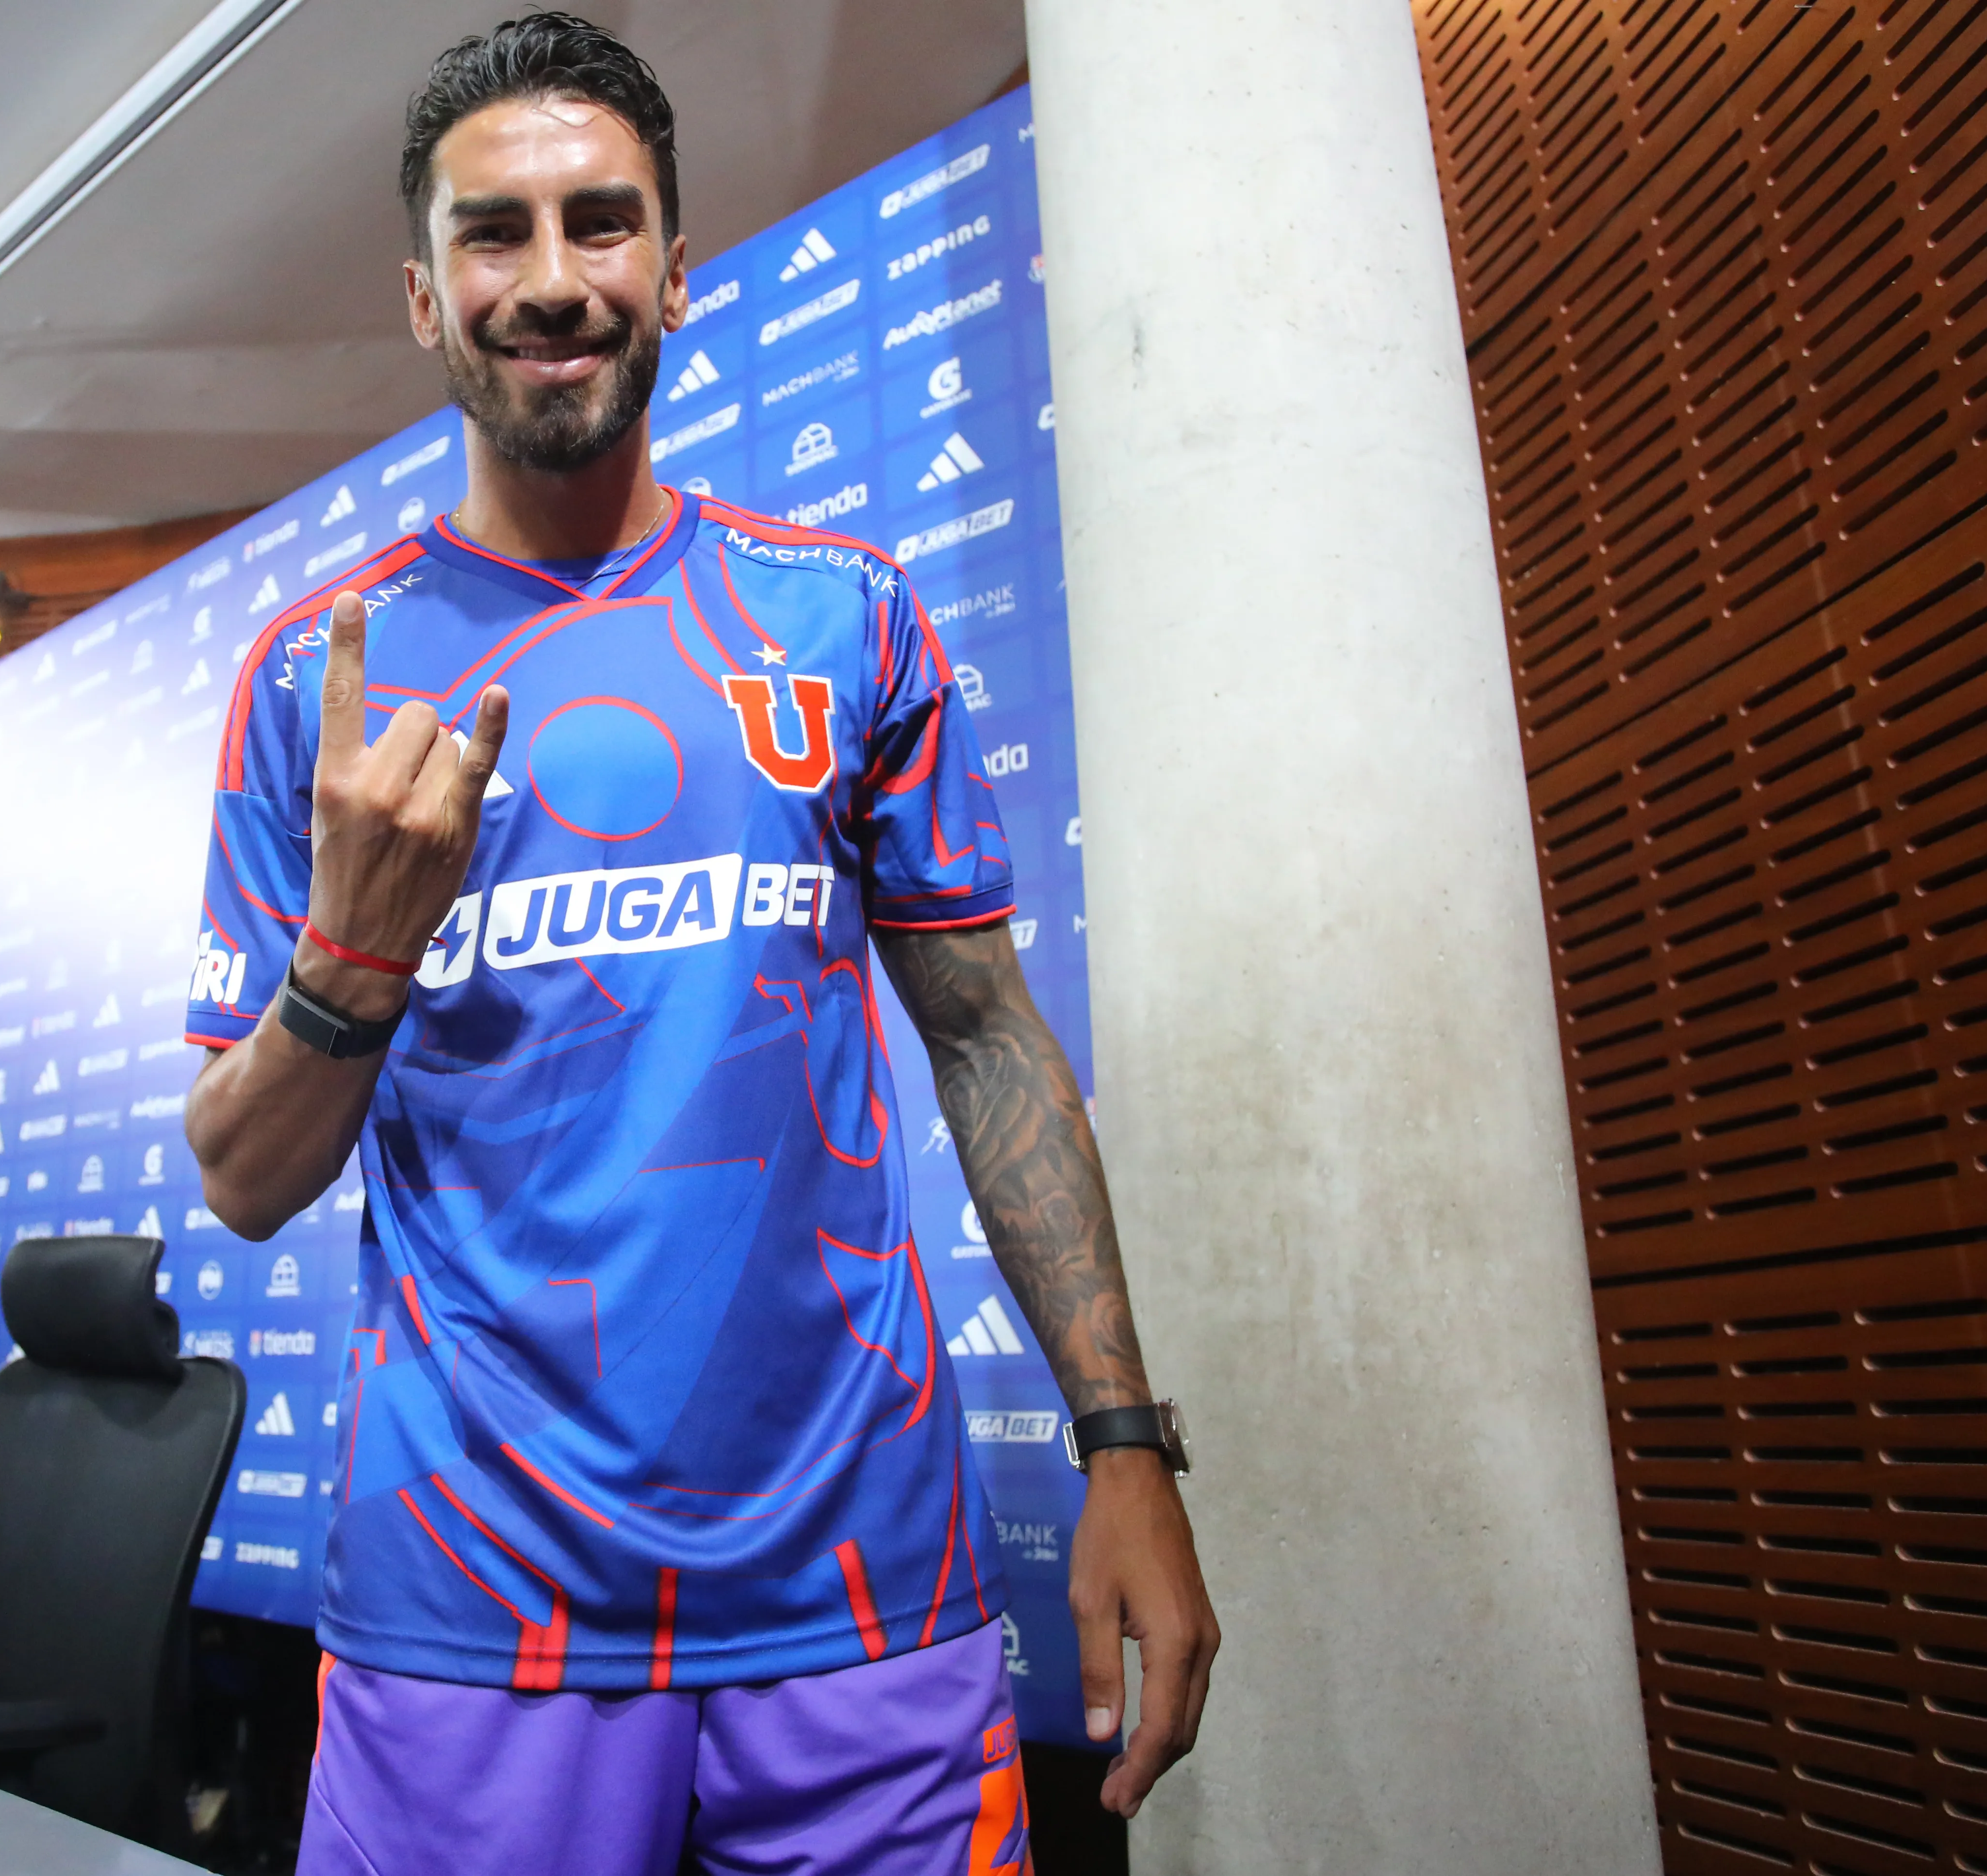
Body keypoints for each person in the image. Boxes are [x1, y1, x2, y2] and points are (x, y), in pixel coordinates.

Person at [182, 16, 1215, 1870]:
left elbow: (982, 1036)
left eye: (602, 222)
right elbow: (244, 1180)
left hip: (864, 1594)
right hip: (470, 1612)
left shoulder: (840, 616)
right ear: (423, 296)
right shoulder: (317, 682)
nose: (552, 279)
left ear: (679, 267)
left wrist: (1124, 1438)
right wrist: (355, 961)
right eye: (494, 234)